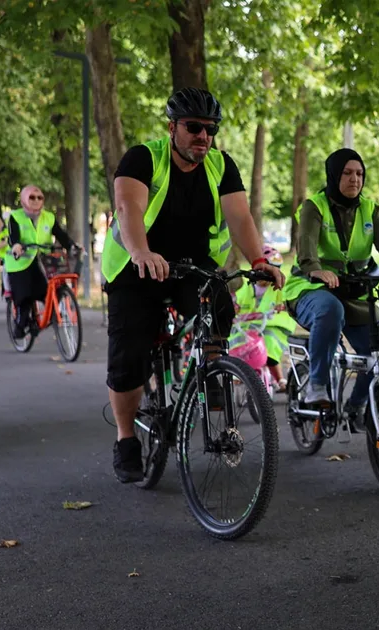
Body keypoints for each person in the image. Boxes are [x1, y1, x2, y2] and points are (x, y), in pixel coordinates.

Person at [104, 88, 284, 484]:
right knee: (129, 352)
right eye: (193, 128)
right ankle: (126, 437)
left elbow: (239, 217)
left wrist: (259, 261)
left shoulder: (221, 165)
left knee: (220, 302)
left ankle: (211, 370)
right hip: (137, 267)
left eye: (210, 129)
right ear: (172, 128)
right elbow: (128, 208)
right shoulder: (144, 157)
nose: (203, 136)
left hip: (191, 265)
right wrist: (140, 252)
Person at [281, 148, 379, 429]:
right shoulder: (315, 206)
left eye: (359, 174)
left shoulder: (369, 209)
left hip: (353, 293)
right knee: (329, 310)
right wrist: (315, 268)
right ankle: (317, 385)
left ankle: (355, 407)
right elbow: (306, 242)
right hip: (310, 289)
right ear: (333, 175)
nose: (354, 179)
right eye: (347, 173)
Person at [4, 185, 78, 337]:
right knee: (24, 295)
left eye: (39, 197)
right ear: (24, 199)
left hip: (43, 261)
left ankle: (52, 314)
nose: (36, 200)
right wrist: (16, 245)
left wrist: (71, 246)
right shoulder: (16, 216)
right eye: (32, 197)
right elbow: (13, 236)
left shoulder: (48, 217)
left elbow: (60, 234)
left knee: (51, 290)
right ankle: (20, 323)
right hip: (20, 263)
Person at [231, 244, 294, 391]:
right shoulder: (246, 287)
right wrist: (235, 307)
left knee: (269, 345)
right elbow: (237, 301)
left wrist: (283, 306)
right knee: (238, 345)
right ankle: (239, 373)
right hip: (248, 327)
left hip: (273, 325)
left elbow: (288, 299)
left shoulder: (279, 287)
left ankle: (280, 379)